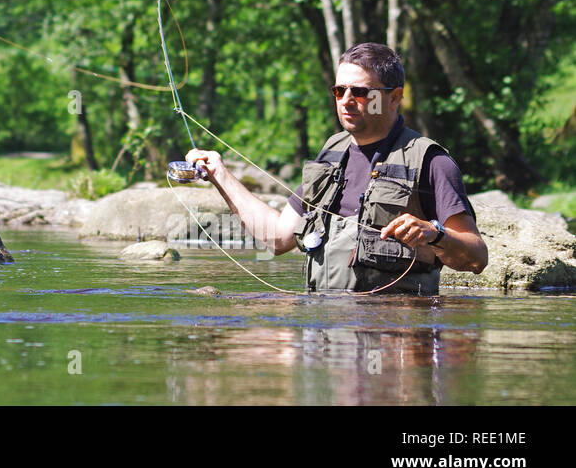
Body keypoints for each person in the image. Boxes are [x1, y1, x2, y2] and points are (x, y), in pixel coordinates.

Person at [186, 43, 488, 294]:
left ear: (394, 98)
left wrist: (434, 234)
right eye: (339, 90)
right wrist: (219, 174)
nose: (346, 101)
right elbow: (277, 238)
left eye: (359, 93)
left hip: (396, 336)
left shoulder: (430, 161)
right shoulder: (332, 153)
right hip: (325, 340)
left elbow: (476, 258)